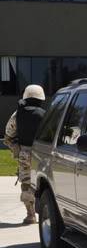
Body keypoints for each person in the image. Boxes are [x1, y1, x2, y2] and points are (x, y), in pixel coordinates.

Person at [3, 85, 47, 225]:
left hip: (25, 156)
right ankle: (48, 215)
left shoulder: (18, 114)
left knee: (27, 185)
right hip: (43, 156)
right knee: (46, 184)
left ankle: (30, 215)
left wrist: (15, 148)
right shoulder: (45, 114)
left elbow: (8, 136)